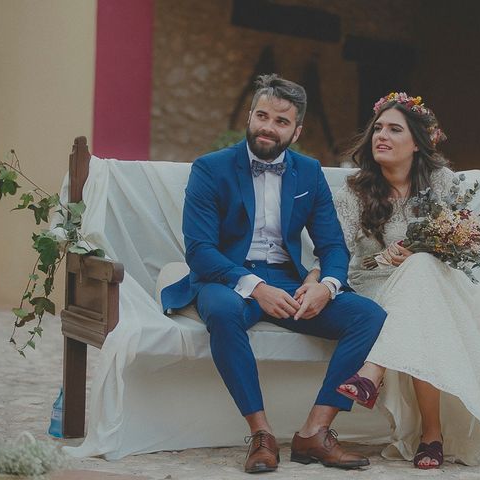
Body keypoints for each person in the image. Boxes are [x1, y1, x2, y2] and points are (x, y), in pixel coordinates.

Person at [160, 74, 386, 474]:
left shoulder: (309, 172)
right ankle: (261, 434)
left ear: (296, 130)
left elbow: (333, 246)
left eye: (281, 121)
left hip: (289, 280)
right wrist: (255, 287)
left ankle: (315, 431)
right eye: (261, 115)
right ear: (250, 116)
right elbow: (199, 250)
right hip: (226, 278)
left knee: (369, 316)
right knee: (225, 312)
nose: (268, 126)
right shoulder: (210, 168)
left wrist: (327, 287)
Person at [332, 93, 480, 468]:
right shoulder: (354, 191)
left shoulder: (441, 183)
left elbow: (465, 244)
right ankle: (431, 435)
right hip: (376, 283)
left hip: (435, 283)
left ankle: (372, 371)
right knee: (422, 312)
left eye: (393, 129)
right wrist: (384, 257)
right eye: (377, 129)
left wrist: (427, 251)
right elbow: (337, 252)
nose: (381, 136)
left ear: (419, 143)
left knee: (422, 268)